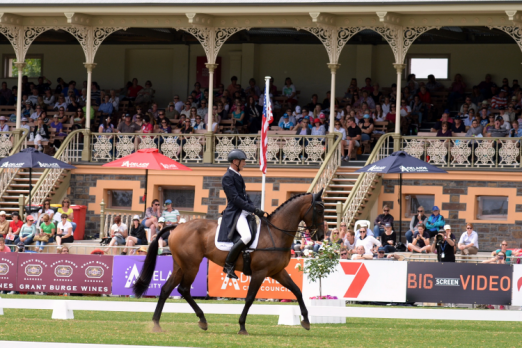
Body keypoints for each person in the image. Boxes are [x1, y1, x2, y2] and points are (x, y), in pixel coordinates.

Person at [218, 149, 266, 279]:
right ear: (235, 161)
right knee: (246, 236)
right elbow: (235, 199)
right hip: (235, 212)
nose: (244, 163)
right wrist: (253, 209)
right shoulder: (227, 177)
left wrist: (255, 208)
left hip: (243, 210)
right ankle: (228, 265)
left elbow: (244, 196)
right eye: (243, 161)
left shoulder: (238, 175)